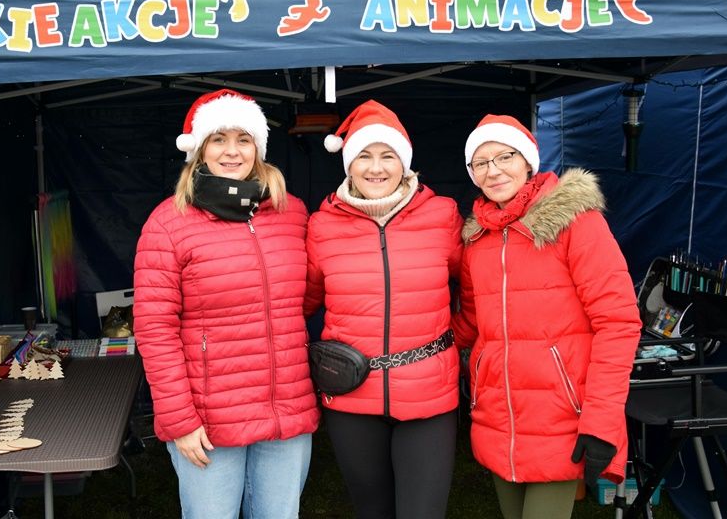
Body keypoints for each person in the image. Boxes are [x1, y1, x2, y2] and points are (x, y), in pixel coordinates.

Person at [133, 88, 320, 519]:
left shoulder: (291, 213)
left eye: (243, 139)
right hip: (209, 417)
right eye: (219, 139)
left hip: (285, 409)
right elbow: (155, 329)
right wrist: (179, 418)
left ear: (259, 148)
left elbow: (307, 294)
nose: (232, 151)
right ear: (200, 150)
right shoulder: (169, 223)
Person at [454, 114, 642, 519]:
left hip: (562, 417)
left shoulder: (576, 222)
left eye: (504, 156)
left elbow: (618, 323)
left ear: (527, 161)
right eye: (480, 162)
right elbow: (470, 323)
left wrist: (602, 419)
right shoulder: (476, 240)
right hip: (498, 416)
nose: (493, 170)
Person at [304, 100, 464, 519]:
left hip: (428, 396)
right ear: (349, 165)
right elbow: (301, 300)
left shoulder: (442, 215)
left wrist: (456, 337)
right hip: (351, 394)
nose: (375, 168)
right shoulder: (321, 225)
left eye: (387, 156)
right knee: (371, 511)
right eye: (364, 156)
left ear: (404, 162)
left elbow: (476, 285)